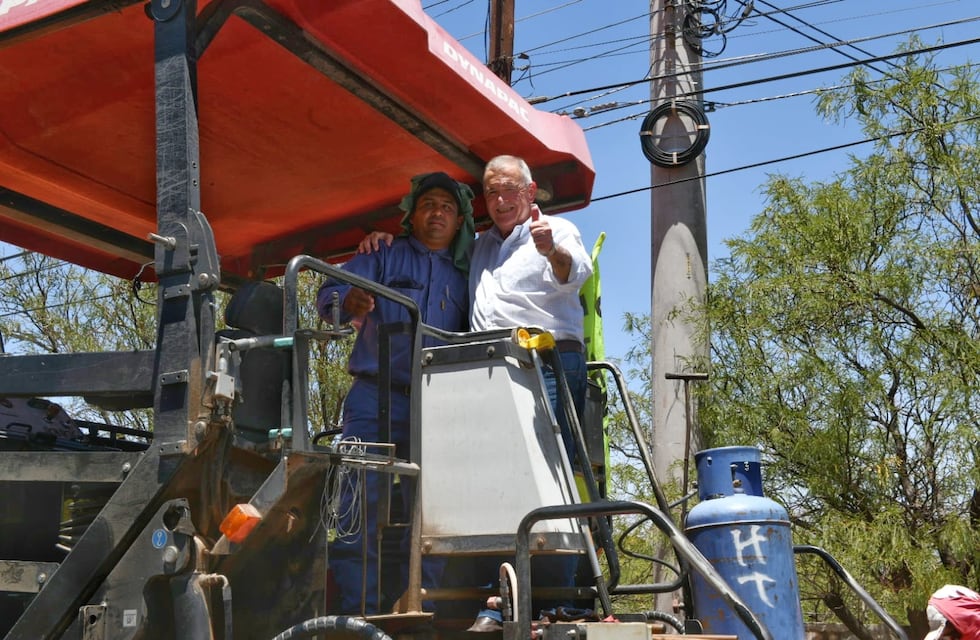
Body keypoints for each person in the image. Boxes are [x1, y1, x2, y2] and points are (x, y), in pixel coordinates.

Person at [358, 155, 594, 630]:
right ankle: (493, 599)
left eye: (510, 189)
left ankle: (552, 598)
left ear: (530, 194)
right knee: (492, 484)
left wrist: (552, 251)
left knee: (549, 477)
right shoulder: (480, 247)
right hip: (484, 371)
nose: (501, 199)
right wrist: (375, 240)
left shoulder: (555, 230)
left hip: (543, 361)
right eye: (492, 192)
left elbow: (575, 273)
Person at [318, 171, 475, 616]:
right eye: (428, 204)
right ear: (412, 216)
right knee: (357, 501)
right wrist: (345, 303)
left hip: (441, 401)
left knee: (437, 503)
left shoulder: (470, 271)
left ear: (460, 220)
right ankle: (357, 612)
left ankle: (421, 604)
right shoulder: (382, 252)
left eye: (447, 205)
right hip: (374, 395)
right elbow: (329, 290)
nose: (437, 212)